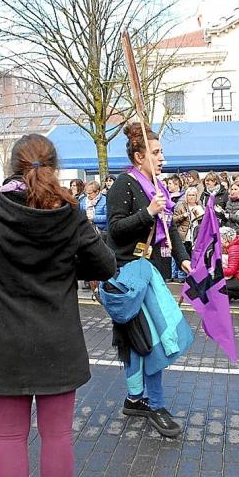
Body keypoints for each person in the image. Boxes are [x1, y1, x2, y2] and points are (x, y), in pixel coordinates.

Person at [0, 134, 114, 477]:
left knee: (9, 437)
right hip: (57, 337)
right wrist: (65, 268)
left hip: (3, 339)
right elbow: (105, 264)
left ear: (12, 165)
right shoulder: (68, 213)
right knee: (58, 436)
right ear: (53, 166)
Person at [106, 122, 192, 437]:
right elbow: (115, 230)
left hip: (149, 271)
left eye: (161, 152)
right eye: (156, 153)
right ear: (139, 156)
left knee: (142, 340)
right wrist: (148, 211)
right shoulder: (124, 185)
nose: (162, 159)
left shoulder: (159, 188)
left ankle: (134, 399)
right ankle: (154, 405)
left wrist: (183, 258)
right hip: (127, 275)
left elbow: (167, 232)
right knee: (148, 340)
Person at [173, 186, 204, 257]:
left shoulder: (200, 205)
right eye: (189, 195)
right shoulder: (181, 206)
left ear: (196, 196)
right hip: (185, 235)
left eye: (193, 195)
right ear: (186, 196)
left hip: (197, 234)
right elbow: (173, 219)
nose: (191, 197)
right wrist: (183, 216)